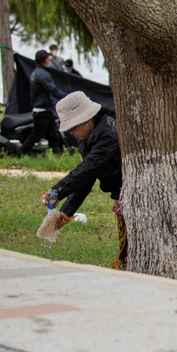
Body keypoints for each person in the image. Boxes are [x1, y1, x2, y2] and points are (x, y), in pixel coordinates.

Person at [41, 92, 126, 270]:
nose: (71, 132)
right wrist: (67, 209)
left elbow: (89, 168)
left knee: (128, 254)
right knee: (126, 252)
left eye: (73, 127)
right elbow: (87, 176)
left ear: (88, 119)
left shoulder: (108, 134)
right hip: (122, 195)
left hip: (130, 194)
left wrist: (57, 191)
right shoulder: (89, 135)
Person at [22, 49, 67, 155]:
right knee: (36, 136)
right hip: (43, 110)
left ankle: (58, 155)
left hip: (45, 109)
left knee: (53, 135)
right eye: (48, 58)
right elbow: (53, 91)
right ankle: (20, 153)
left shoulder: (36, 73)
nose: (49, 60)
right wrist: (69, 97)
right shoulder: (43, 75)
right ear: (44, 60)